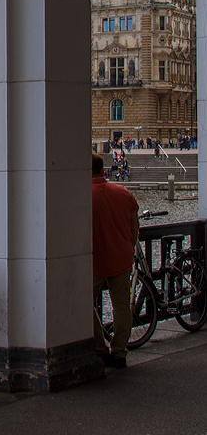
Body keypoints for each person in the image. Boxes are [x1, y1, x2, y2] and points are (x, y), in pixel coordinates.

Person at [91, 152, 139, 368]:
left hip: (94, 262)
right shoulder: (124, 193)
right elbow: (134, 229)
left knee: (83, 303)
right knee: (122, 307)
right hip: (121, 258)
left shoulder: (82, 195)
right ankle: (119, 352)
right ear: (103, 170)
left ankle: (100, 348)